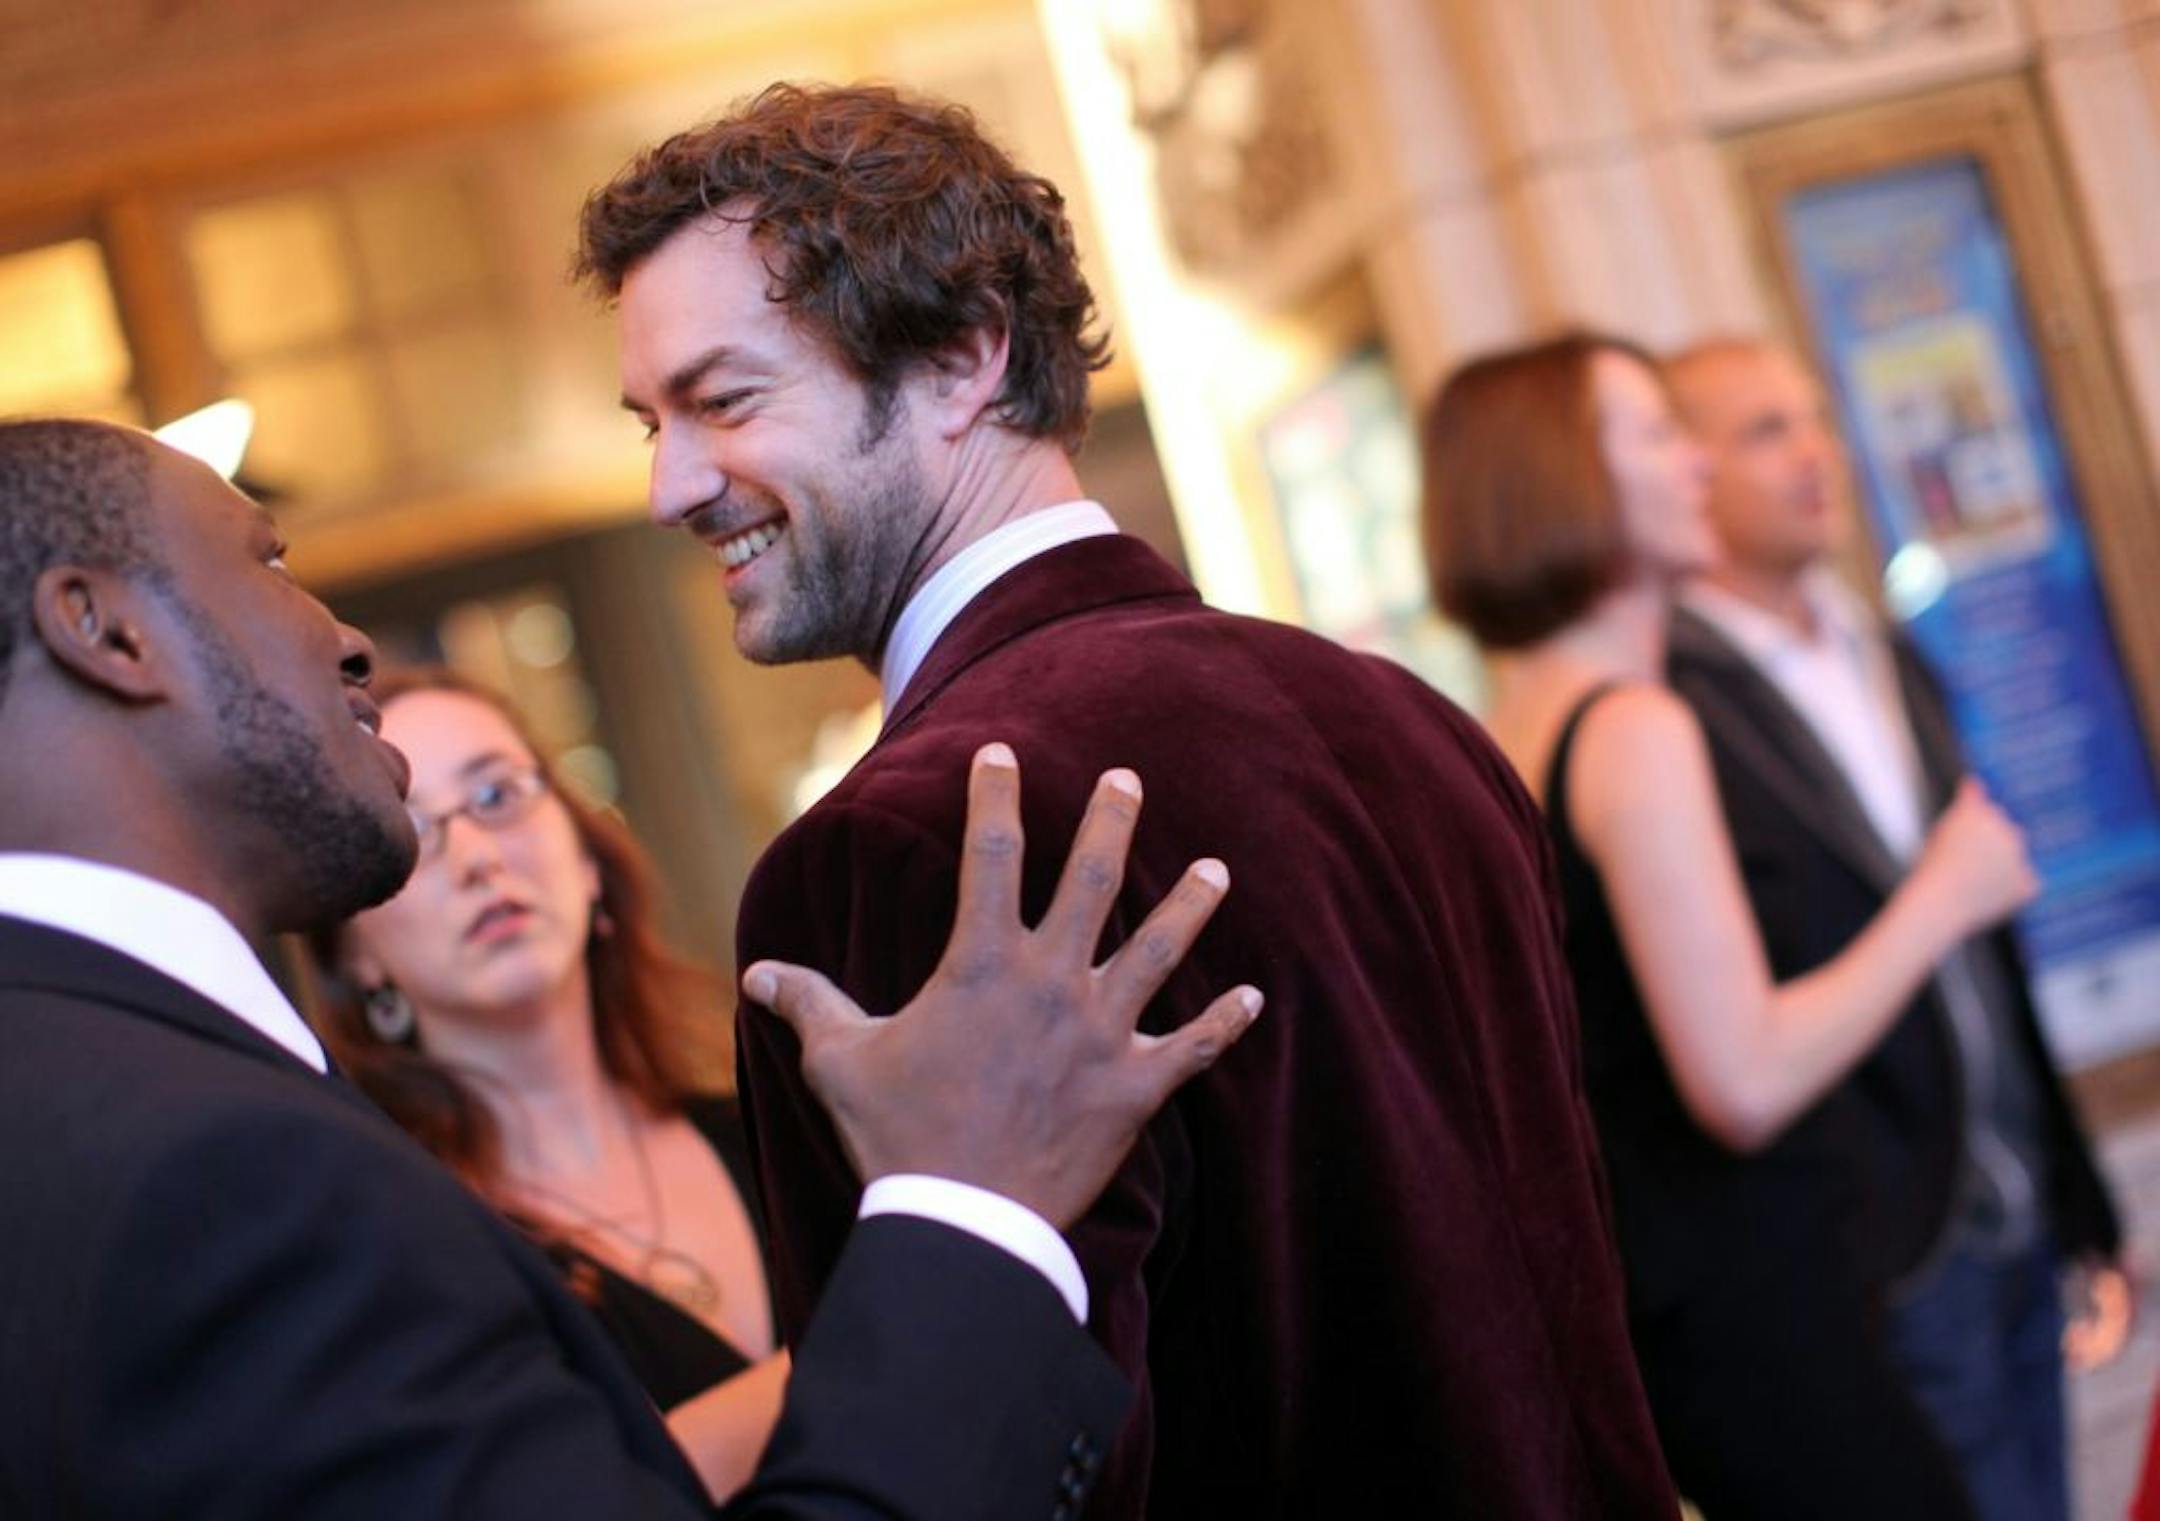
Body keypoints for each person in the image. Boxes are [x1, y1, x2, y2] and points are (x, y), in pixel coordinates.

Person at [578, 83, 1674, 1518]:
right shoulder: (1407, 718)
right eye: (648, 419)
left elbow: (966, 1451)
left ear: (966, 360)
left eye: (724, 399)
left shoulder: (910, 840)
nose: (666, 486)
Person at [0, 416, 1262, 1520]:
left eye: (502, 797)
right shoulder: (216, 1174)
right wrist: (971, 1197)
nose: (343, 639)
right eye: (268, 560)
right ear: (103, 628)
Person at [1421, 330, 2058, 1519]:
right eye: (1656, 435)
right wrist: (1942, 898)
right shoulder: (1635, 728)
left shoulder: (1511, 726)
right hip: (1757, 1305)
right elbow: (1745, 1078)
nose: (1696, 466)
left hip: (1669, 1310)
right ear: (1568, 476)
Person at [1662, 338, 2125, 1521]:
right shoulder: (1670, 710)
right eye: (1766, 429)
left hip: (2013, 1218)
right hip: (1877, 1262)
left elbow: (1990, 951)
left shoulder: (1882, 646)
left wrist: (2079, 1200)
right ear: (1686, 471)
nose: (1817, 453)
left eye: (1815, 419)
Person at [302, 668, 783, 1503]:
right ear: (356, 956)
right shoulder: (409, 1247)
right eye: (413, 829)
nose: (481, 858)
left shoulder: (775, 1132)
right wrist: (897, 1317)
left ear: (589, 862)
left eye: (497, 793)